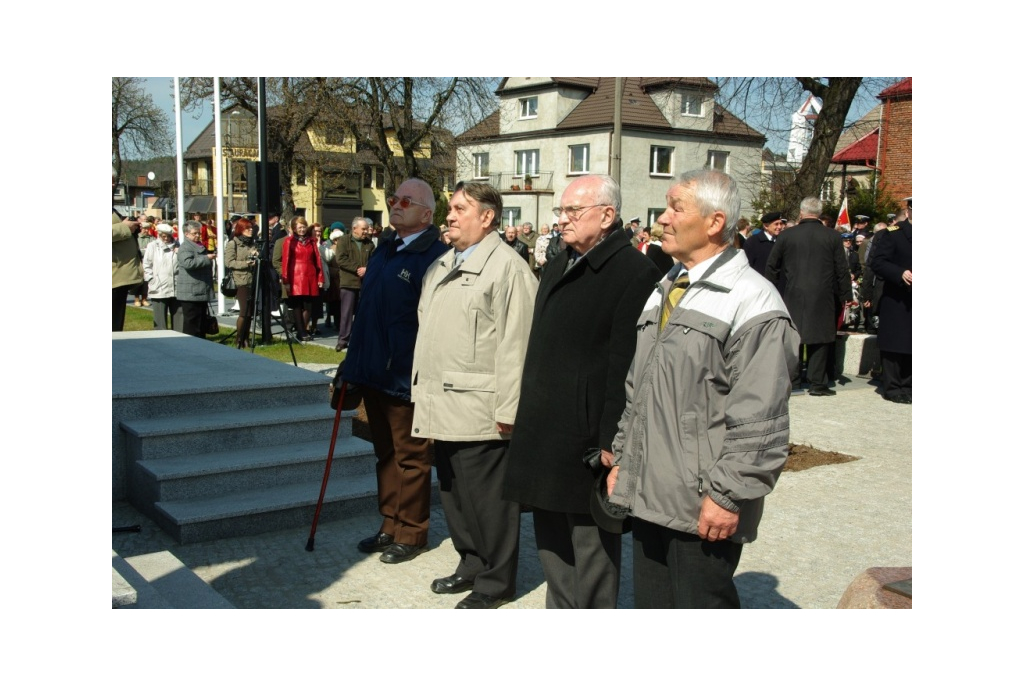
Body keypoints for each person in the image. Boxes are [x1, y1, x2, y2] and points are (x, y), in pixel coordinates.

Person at [606, 168, 800, 609]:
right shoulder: (666, 288)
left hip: (702, 501)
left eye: (676, 207)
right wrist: (624, 459)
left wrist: (728, 495)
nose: (662, 219)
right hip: (649, 491)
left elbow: (761, 416)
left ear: (715, 222)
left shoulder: (752, 299)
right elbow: (640, 390)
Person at [503, 175, 662, 609]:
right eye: (561, 211)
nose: (562, 220)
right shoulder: (559, 262)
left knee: (590, 548)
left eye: (573, 211)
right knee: (552, 542)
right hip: (544, 427)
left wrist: (613, 439)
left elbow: (626, 365)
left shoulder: (634, 271)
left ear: (607, 216)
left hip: (587, 437)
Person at [411, 181, 537, 609]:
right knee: (455, 496)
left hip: (482, 410)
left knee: (489, 505)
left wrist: (509, 409)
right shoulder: (444, 263)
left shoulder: (508, 268)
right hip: (443, 403)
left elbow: (517, 346)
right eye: (449, 207)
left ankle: (496, 581)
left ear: (487, 217)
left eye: (460, 208)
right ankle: (471, 562)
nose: (449, 215)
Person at [342, 178, 448, 564]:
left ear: (426, 212)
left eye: (407, 200)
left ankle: (412, 531)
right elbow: (367, 314)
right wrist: (350, 365)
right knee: (384, 455)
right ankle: (389, 523)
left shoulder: (435, 256)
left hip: (406, 376)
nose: (396, 204)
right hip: (373, 372)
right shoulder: (385, 248)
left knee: (412, 458)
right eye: (393, 198)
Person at [765, 197, 853, 396]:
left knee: (793, 337)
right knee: (821, 338)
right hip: (823, 294)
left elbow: (772, 265)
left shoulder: (787, 236)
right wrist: (846, 294)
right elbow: (842, 268)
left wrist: (771, 290)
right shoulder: (832, 236)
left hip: (793, 292)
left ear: (802, 213)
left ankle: (793, 380)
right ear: (819, 214)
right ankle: (817, 383)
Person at [869, 197, 912, 403]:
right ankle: (893, 387)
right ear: (909, 210)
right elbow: (877, 262)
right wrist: (900, 272)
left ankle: (910, 385)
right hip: (898, 297)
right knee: (896, 343)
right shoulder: (894, 234)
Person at [333, 217, 375, 352]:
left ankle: (360, 340)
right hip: (348, 283)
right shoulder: (344, 241)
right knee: (346, 313)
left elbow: (375, 260)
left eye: (367, 229)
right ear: (354, 228)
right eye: (363, 229)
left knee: (363, 313)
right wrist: (358, 268)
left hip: (365, 283)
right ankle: (343, 340)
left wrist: (367, 269)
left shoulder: (370, 244)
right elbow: (340, 259)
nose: (366, 232)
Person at [280, 216, 324, 342]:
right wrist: (286, 281)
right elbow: (286, 261)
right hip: (295, 275)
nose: (302, 229)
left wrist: (320, 277)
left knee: (308, 306)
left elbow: (318, 260)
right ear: (294, 228)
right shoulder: (289, 241)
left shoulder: (312, 241)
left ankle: (303, 329)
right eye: (299, 227)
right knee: (297, 305)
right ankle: (301, 332)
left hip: (310, 275)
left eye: (304, 227)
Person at [175, 220, 216, 337]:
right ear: (186, 234)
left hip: (200, 290)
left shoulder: (199, 245)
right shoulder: (185, 247)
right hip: (191, 292)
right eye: (194, 233)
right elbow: (188, 263)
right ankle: (191, 345)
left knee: (201, 321)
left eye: (198, 233)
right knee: (192, 323)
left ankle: (200, 343)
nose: (198, 235)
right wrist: (206, 258)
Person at [224, 217, 259, 348]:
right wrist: (246, 263)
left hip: (252, 279)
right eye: (247, 228)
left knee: (250, 312)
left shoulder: (252, 243)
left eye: (251, 228)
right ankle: (239, 338)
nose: (251, 230)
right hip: (240, 280)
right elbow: (229, 262)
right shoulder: (233, 243)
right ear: (240, 229)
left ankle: (246, 338)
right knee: (244, 311)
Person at [143, 223, 182, 331]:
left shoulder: (178, 245)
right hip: (159, 285)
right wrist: (151, 279)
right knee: (160, 318)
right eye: (163, 236)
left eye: (168, 236)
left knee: (178, 315)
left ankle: (179, 339)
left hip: (176, 285)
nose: (166, 238)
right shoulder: (152, 246)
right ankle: (161, 339)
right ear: (159, 235)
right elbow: (147, 264)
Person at [113, 210, 144, 332]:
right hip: (114, 277)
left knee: (116, 329)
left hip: (120, 276)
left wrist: (132, 227)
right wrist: (124, 227)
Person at [742, 211, 785, 277]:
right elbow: (747, 266)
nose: (779, 227)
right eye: (776, 224)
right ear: (766, 226)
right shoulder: (753, 242)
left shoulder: (781, 241)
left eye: (781, 224)